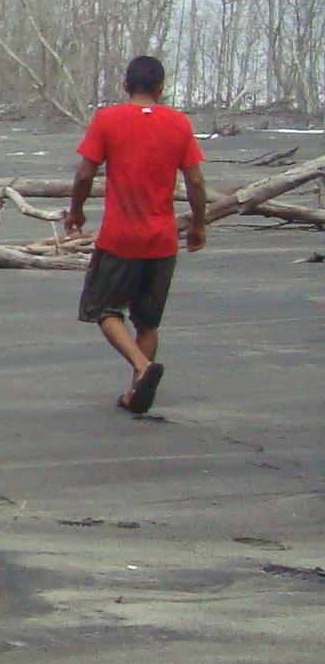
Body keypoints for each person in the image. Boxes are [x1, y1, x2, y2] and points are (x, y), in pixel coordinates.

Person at [67, 54, 207, 417]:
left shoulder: (108, 119)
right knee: (147, 320)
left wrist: (76, 212)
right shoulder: (178, 124)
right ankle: (136, 391)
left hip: (120, 238)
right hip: (161, 240)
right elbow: (194, 180)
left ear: (126, 84)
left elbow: (84, 174)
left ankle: (141, 368)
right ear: (161, 88)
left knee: (102, 308)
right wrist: (198, 225)